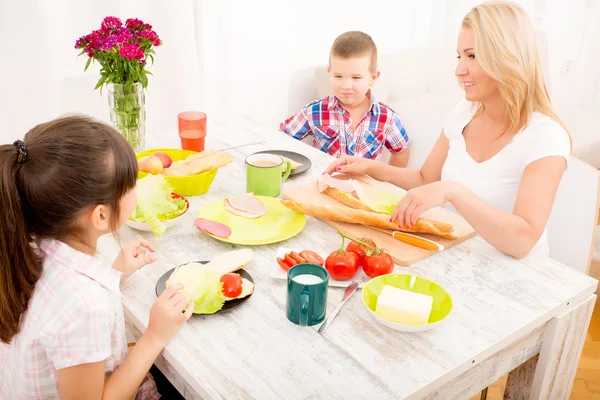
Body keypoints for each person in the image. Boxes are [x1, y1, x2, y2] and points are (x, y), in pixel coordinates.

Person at [324, 2, 571, 260]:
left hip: (518, 278)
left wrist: (452, 191)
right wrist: (370, 168)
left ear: (507, 58)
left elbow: (523, 241)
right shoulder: (463, 113)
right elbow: (425, 180)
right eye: (459, 56)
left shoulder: (546, 137)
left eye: (472, 56)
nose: (459, 70)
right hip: (459, 255)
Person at [0, 116, 193, 399]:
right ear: (101, 215)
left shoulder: (26, 245)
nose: (137, 190)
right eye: (130, 185)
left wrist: (115, 273)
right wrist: (154, 337)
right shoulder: (86, 307)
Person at [280, 31, 411, 167]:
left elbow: (401, 150)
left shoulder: (387, 117)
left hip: (367, 187)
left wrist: (387, 180)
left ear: (373, 77)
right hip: (325, 183)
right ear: (329, 73)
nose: (346, 86)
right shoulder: (314, 111)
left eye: (356, 78)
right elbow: (281, 137)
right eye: (338, 76)